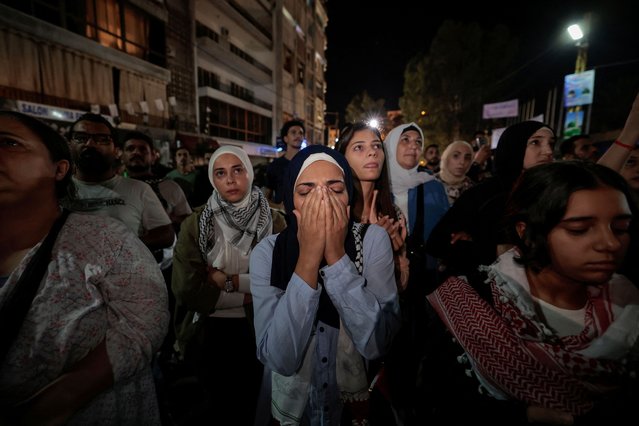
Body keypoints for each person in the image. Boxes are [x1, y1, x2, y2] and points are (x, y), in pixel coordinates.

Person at [418, 161, 639, 425]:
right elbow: (438, 403)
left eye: (621, 228)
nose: (610, 243)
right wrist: (524, 416)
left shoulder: (629, 305)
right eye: (579, 229)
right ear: (527, 232)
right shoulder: (469, 303)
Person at [0, 110, 169, 424]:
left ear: (58, 168)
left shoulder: (128, 207)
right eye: (81, 137)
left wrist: (62, 397)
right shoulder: (65, 202)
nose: (91, 144)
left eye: (9, 143)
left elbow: (143, 321)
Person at [250, 144, 401, 425]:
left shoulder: (372, 241)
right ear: (290, 201)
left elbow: (377, 343)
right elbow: (279, 358)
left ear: (349, 197)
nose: (322, 201)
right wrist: (307, 259)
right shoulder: (267, 253)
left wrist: (335, 256)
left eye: (335, 189)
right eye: (306, 191)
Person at [171, 146, 286, 426]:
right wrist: (251, 293)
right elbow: (186, 289)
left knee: (251, 405)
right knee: (217, 407)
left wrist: (229, 282)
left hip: (257, 330)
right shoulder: (195, 225)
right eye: (221, 173)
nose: (230, 180)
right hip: (208, 332)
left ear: (249, 173)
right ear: (213, 179)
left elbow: (282, 280)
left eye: (237, 170)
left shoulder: (274, 221)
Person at [426, 120, 555, 280]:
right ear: (514, 146)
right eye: (536, 142)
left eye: (551, 143)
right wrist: (497, 250)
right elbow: (437, 243)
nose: (548, 151)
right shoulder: (483, 194)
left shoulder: (556, 194)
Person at [383, 122, 449, 424]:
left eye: (417, 141)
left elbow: (445, 233)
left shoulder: (432, 184)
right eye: (405, 139)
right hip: (385, 277)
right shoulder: (377, 185)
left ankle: (409, 397)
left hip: (424, 276)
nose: (412, 146)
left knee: (417, 340)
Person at [64, 113, 175, 255]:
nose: (90, 144)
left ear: (116, 151)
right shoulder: (53, 190)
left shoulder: (139, 189)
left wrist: (120, 248)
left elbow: (166, 235)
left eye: (102, 139)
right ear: (69, 145)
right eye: (81, 138)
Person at [336, 121, 408, 291]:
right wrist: (373, 247)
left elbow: (401, 288)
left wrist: (395, 257)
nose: (372, 153)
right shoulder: (336, 214)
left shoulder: (394, 216)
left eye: (377, 146)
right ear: (342, 158)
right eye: (359, 147)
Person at [264, 119, 305, 208]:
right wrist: (279, 207)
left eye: (301, 133)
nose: (298, 135)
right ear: (285, 138)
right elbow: (265, 198)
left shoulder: (309, 164)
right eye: (293, 132)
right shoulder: (275, 166)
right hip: (283, 219)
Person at [434, 140, 476, 205]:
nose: (462, 162)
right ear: (446, 158)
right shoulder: (429, 184)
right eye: (456, 156)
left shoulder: (473, 189)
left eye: (467, 158)